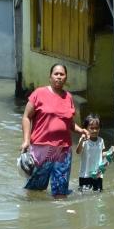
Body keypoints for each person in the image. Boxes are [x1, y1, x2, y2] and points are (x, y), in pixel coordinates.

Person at [20, 63, 89, 197]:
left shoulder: (68, 97)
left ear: (66, 78)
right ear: (50, 77)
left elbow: (68, 123)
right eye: (56, 74)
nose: (59, 77)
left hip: (63, 151)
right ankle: (35, 217)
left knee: (60, 192)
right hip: (41, 149)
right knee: (35, 191)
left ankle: (60, 214)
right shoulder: (39, 93)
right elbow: (26, 117)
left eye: (62, 74)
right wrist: (26, 141)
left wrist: (81, 130)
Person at [76, 113, 114, 192]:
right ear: (86, 128)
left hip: (98, 174)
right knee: (85, 194)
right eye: (92, 128)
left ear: (100, 128)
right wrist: (81, 141)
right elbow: (78, 151)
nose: (94, 130)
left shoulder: (101, 140)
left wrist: (110, 152)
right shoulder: (84, 140)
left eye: (97, 128)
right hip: (85, 174)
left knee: (98, 194)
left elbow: (100, 154)